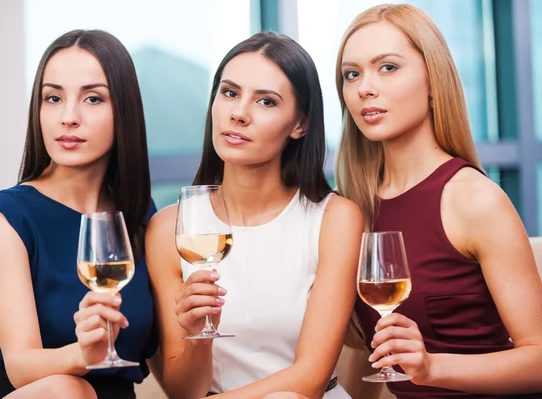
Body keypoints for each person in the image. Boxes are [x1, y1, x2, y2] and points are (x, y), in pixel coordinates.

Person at [335, 4, 542, 398]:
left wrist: (430, 366)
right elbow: (372, 349)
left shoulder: (473, 199)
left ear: (433, 80)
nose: (364, 88)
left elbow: (539, 360)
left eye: (388, 67)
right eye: (352, 74)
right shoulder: (355, 207)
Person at [145, 31, 362, 398]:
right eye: (229, 93)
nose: (238, 113)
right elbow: (183, 392)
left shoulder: (335, 219)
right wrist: (198, 335)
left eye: (266, 101)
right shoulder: (170, 228)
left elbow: (309, 379)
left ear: (300, 124)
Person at [0, 29, 156, 399]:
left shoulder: (142, 217)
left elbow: (172, 367)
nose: (68, 117)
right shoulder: (6, 216)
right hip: (34, 393)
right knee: (68, 390)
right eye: (53, 98)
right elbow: (20, 366)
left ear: (125, 111)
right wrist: (84, 354)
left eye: (93, 99)